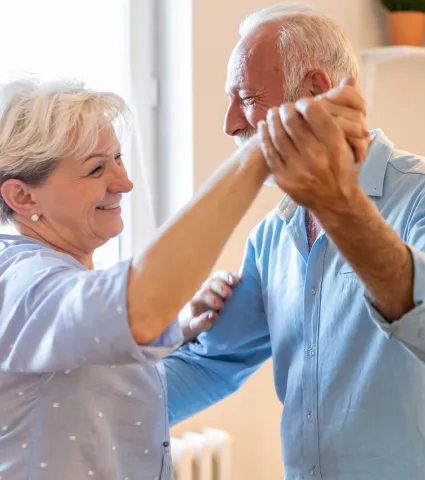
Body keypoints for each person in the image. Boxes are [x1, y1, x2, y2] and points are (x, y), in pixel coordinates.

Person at [164, 4, 425, 480]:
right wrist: (80, 406)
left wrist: (340, 208)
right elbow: (214, 363)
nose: (230, 124)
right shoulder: (273, 235)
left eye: (246, 97)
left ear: (317, 89)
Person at [0, 74, 368, 479]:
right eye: (95, 169)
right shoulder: (20, 281)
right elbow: (137, 309)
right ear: (22, 196)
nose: (124, 183)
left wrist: (186, 328)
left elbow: (125, 396)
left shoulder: (64, 286)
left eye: (118, 158)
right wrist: (262, 151)